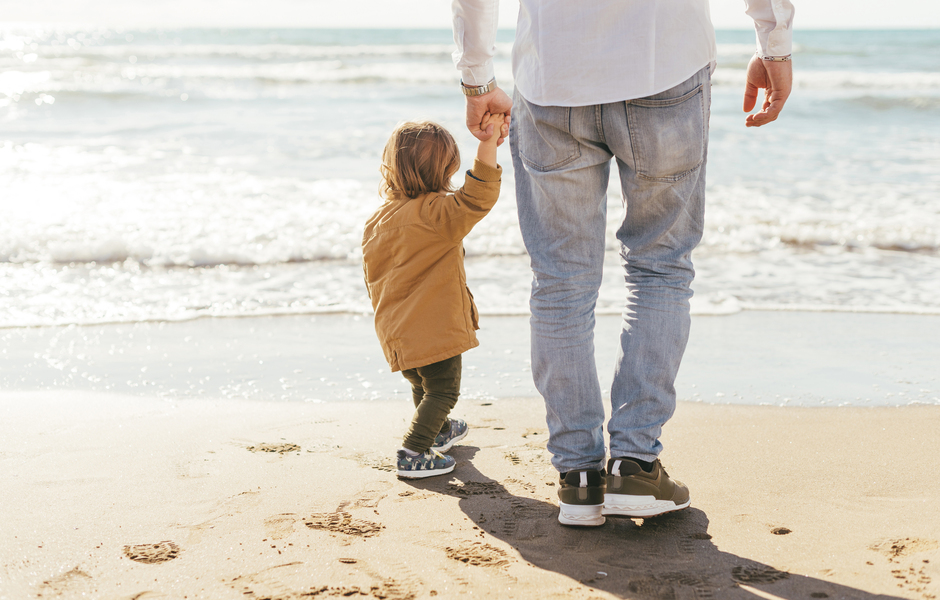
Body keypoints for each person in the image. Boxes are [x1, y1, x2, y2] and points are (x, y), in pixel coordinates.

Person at [452, 1, 794, 525]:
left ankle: (578, 476)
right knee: (660, 267)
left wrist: (477, 78)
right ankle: (634, 465)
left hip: (553, 78)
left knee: (560, 282)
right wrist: (774, 45)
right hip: (665, 64)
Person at [362, 114, 508, 479]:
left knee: (423, 385)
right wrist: (487, 144)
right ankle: (414, 450)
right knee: (443, 390)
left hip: (395, 330)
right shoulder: (436, 214)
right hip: (432, 328)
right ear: (444, 171)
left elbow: (372, 277)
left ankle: (438, 431)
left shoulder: (377, 221)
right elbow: (477, 196)